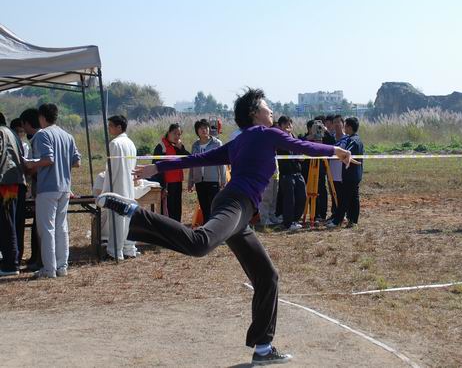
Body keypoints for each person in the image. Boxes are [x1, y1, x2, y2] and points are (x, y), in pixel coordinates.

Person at [97, 88, 358, 365]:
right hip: (236, 204)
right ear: (254, 113)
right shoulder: (266, 133)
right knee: (199, 244)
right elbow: (303, 147)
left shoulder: (241, 140)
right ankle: (134, 213)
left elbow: (200, 158)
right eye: (267, 108)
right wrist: (336, 150)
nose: (271, 111)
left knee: (267, 276)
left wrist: (158, 168)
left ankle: (263, 348)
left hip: (238, 212)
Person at [25, 104, 81, 279]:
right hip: (64, 187)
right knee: (61, 227)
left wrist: (31, 163)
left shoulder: (43, 134)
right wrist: (63, 164)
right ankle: (62, 266)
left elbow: (48, 159)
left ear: (42, 117)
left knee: (47, 229)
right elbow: (77, 162)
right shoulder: (67, 136)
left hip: (48, 187)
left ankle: (49, 268)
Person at [102, 115, 139, 260]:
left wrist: (106, 191)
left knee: (116, 220)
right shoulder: (131, 143)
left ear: (119, 127)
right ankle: (128, 248)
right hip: (128, 186)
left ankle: (115, 251)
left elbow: (112, 170)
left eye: (111, 126)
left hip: (117, 186)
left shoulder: (115, 144)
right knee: (127, 218)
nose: (109, 128)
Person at [0, 112, 26, 276]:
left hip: (5, 184)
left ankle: (10, 264)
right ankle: (14, 260)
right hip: (16, 183)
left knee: (6, 223)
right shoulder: (12, 133)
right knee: (14, 223)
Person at [328, 116, 364, 228]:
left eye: (345, 126)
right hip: (355, 174)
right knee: (354, 198)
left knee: (344, 199)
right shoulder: (357, 139)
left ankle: (337, 221)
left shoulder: (353, 140)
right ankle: (353, 221)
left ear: (349, 127)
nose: (344, 128)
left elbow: (346, 153)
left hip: (350, 174)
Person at [188, 119, 226, 222]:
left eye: (205, 127)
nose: (204, 130)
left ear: (209, 129)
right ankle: (206, 228)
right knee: (204, 207)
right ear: (197, 131)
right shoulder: (195, 145)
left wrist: (223, 179)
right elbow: (192, 164)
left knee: (214, 206)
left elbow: (222, 163)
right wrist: (190, 181)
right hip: (199, 181)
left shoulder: (217, 143)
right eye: (201, 128)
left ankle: (215, 227)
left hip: (213, 180)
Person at [20, 108, 42, 270]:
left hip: (43, 189)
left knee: (40, 228)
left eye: (23, 126)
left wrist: (27, 167)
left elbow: (39, 165)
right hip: (44, 189)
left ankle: (38, 260)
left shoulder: (39, 138)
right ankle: (37, 259)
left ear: (27, 123)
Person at [152, 124, 189, 222]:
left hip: (178, 183)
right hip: (167, 184)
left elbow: (189, 159)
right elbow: (156, 168)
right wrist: (162, 187)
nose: (177, 136)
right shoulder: (161, 147)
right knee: (167, 211)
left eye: (179, 134)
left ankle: (177, 228)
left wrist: (181, 148)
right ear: (168, 133)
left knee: (177, 209)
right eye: (174, 133)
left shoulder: (177, 146)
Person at [275, 116, 306, 232]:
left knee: (302, 197)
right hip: (286, 173)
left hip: (297, 172)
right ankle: (288, 223)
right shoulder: (279, 139)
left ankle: (295, 220)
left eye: (290, 124)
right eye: (285, 124)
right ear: (280, 126)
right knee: (289, 199)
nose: (288, 126)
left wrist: (301, 156)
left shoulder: (295, 138)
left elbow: (301, 154)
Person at [9, 118, 29, 265]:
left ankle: (16, 255)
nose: (20, 134)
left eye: (21, 131)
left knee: (15, 221)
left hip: (15, 187)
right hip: (14, 185)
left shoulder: (24, 145)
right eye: (17, 131)